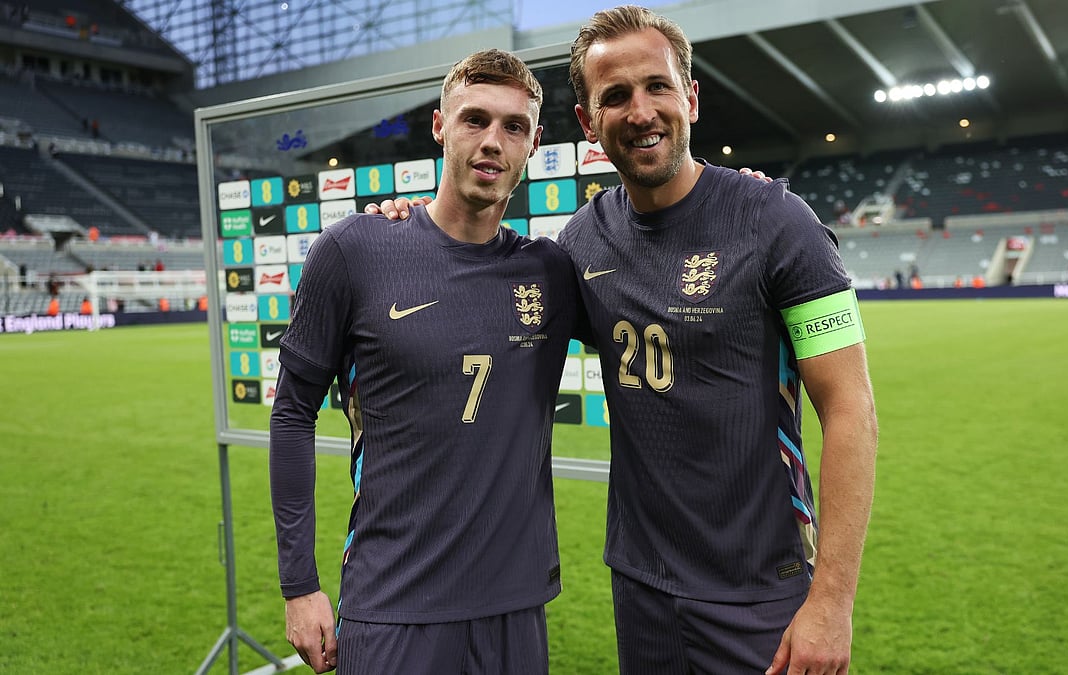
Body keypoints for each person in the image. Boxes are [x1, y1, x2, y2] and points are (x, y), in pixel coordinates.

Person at [372, 7, 877, 674]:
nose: (640, 111)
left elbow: (851, 409)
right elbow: (482, 290)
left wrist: (832, 600)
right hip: (642, 589)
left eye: (657, 86)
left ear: (690, 98)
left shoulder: (779, 222)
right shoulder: (580, 244)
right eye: (615, 96)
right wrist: (405, 230)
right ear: (588, 124)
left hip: (762, 590)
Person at [270, 49, 580, 674]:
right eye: (475, 120)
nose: (493, 141)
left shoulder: (550, 272)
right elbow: (292, 414)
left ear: (534, 143)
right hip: (393, 604)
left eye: (513, 127)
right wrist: (299, 584)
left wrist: (738, 198)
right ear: (440, 127)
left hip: (516, 608)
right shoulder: (354, 250)